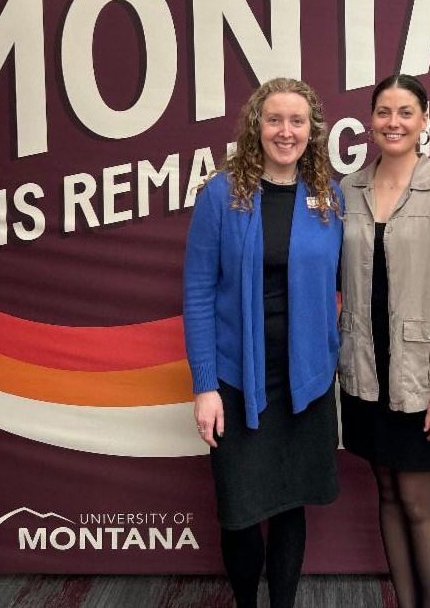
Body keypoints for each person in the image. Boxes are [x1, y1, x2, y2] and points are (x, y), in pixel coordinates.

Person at [183, 78, 342, 608]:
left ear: (312, 131)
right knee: (241, 510)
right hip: (236, 378)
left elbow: (349, 279)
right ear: (257, 126)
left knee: (291, 503)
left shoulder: (328, 197)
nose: (285, 131)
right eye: (275, 119)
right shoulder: (221, 194)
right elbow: (199, 292)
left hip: (306, 380)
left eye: (297, 121)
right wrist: (205, 385)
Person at [338, 73, 430, 608]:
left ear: (424, 121)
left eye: (405, 112)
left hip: (422, 380)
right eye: (383, 112)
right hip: (364, 373)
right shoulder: (347, 190)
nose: (392, 122)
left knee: (419, 502)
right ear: (370, 121)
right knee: (388, 494)